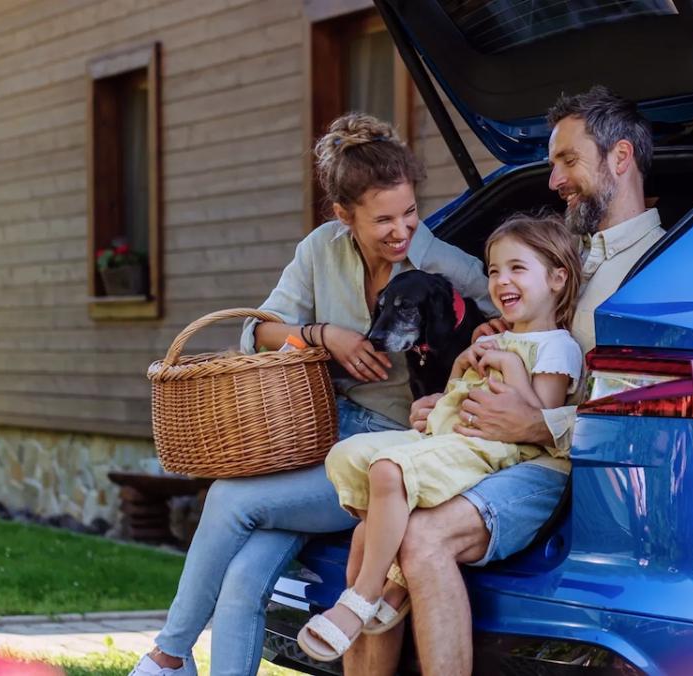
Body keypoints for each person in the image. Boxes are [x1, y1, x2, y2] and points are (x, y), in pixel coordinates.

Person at [129, 112, 493, 676]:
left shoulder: (441, 263)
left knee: (230, 499)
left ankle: (169, 655)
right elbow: (256, 331)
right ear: (344, 217)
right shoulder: (322, 249)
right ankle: (176, 658)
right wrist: (325, 335)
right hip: (316, 436)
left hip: (386, 454)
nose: (403, 232)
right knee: (245, 574)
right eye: (384, 220)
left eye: (411, 212)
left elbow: (512, 317)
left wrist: (467, 373)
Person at [345, 85, 664, 675]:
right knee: (374, 525)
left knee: (419, 538)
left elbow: (637, 401)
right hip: (492, 452)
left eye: (568, 160)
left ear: (620, 158)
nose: (553, 180)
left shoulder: (659, 268)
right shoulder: (569, 252)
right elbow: (528, 345)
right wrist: (451, 403)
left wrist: (540, 424)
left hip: (572, 473)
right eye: (552, 163)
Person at [297, 215, 583, 662]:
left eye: (516, 269)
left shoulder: (554, 347)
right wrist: (455, 379)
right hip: (460, 440)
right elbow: (455, 395)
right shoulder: (494, 337)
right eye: (493, 271)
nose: (501, 280)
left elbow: (536, 422)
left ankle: (365, 599)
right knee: (360, 509)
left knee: (403, 509)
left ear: (557, 278)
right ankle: (380, 593)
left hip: (509, 456)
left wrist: (504, 364)